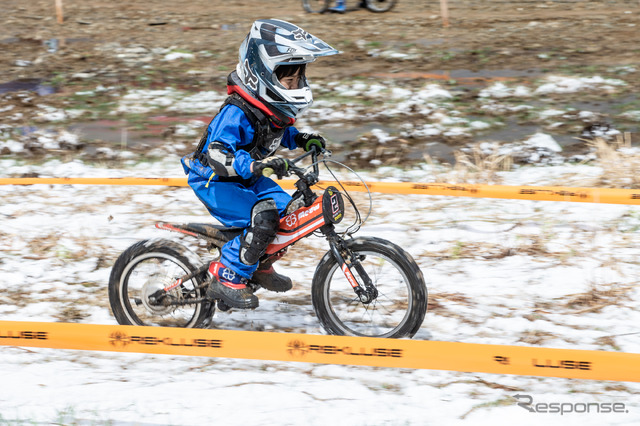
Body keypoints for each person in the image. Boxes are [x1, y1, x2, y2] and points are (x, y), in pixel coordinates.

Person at [181, 19, 338, 310]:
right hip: (213, 179)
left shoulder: (268, 111)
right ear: (262, 75)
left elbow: (274, 135)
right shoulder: (236, 112)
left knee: (292, 212)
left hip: (245, 176)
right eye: (289, 81)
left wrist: (302, 139)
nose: (296, 85)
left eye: (298, 81)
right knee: (264, 217)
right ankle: (227, 275)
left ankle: (258, 264)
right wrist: (253, 167)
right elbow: (217, 155)